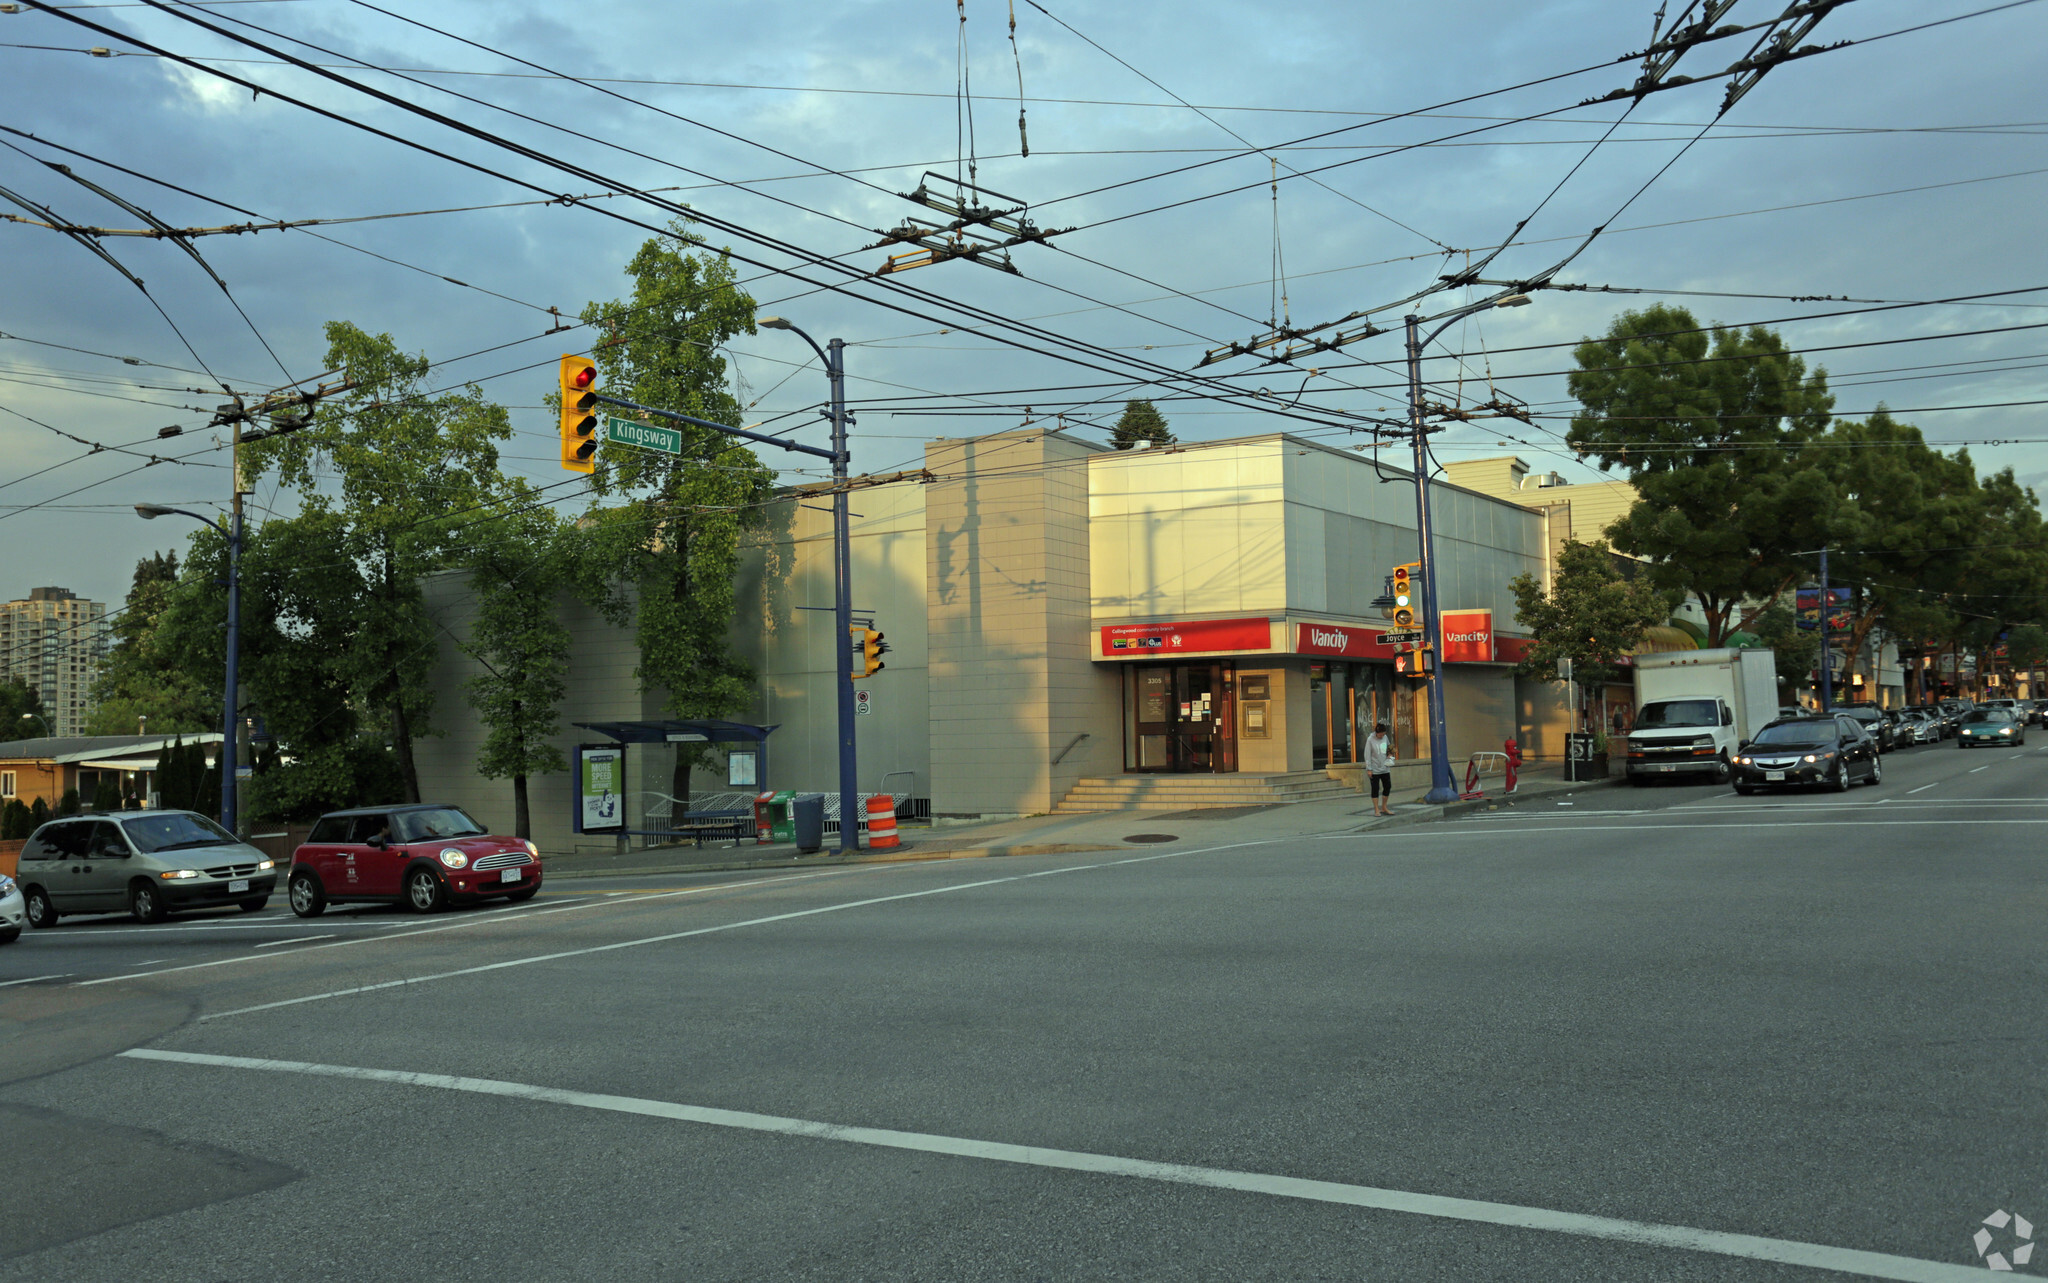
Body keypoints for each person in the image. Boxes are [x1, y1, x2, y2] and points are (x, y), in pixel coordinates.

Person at [1364, 721, 1396, 816]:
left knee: (1387, 786)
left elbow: (1389, 748)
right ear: (1377, 733)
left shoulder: (1385, 738)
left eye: (1383, 734)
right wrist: (1369, 768)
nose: (1382, 736)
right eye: (1380, 734)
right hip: (1374, 768)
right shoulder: (1370, 740)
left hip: (1385, 767)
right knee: (1375, 789)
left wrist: (1390, 755)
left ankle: (1384, 807)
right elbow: (1367, 754)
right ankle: (1376, 809)